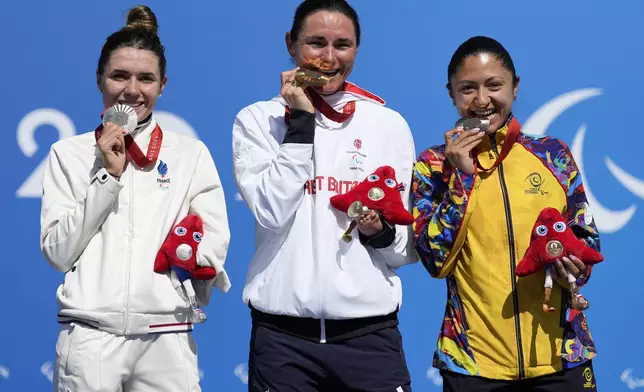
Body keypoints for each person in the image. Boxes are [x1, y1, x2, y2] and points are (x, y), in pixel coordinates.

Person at [40, 5, 230, 391]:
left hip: (167, 335)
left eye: (146, 78)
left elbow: (213, 243)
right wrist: (107, 176)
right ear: (99, 79)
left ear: (162, 84)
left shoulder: (189, 155)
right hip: (91, 336)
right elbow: (58, 253)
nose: (132, 90)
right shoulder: (69, 154)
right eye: (119, 76)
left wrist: (190, 265)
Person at [232, 0, 416, 390]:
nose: (329, 58)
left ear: (357, 48)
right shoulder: (257, 120)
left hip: (369, 337)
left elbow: (402, 249)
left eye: (342, 45)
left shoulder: (388, 124)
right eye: (316, 43)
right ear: (291, 44)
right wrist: (299, 124)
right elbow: (270, 211)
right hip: (284, 342)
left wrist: (379, 232)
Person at [411, 36, 601, 392]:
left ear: (515, 87)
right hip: (473, 366)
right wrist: (463, 178)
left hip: (562, 359)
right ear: (451, 93)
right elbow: (435, 260)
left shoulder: (552, 155)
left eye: (494, 85)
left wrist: (571, 266)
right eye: (467, 88)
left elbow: (587, 244)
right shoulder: (433, 166)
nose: (482, 100)